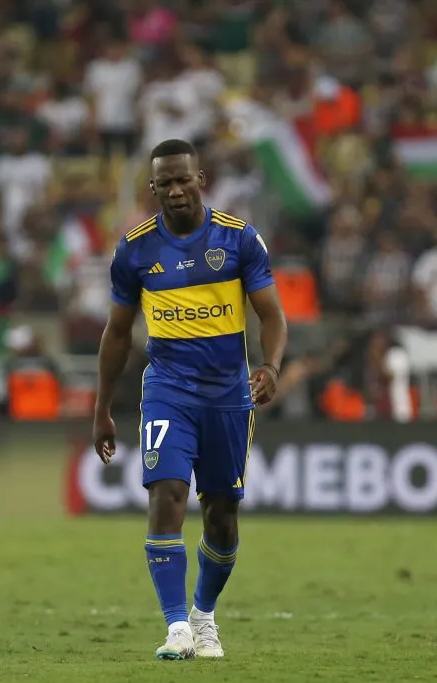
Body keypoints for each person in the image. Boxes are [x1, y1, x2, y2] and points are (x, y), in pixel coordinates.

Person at [92, 139, 288, 660]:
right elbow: (115, 334)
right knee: (166, 495)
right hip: (167, 390)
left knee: (222, 516)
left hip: (228, 394)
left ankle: (204, 615)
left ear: (200, 180)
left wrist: (269, 366)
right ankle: (177, 626)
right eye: (164, 183)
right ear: (152, 188)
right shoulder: (135, 249)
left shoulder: (239, 239)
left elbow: (272, 315)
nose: (175, 190)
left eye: (183, 179)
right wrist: (103, 408)